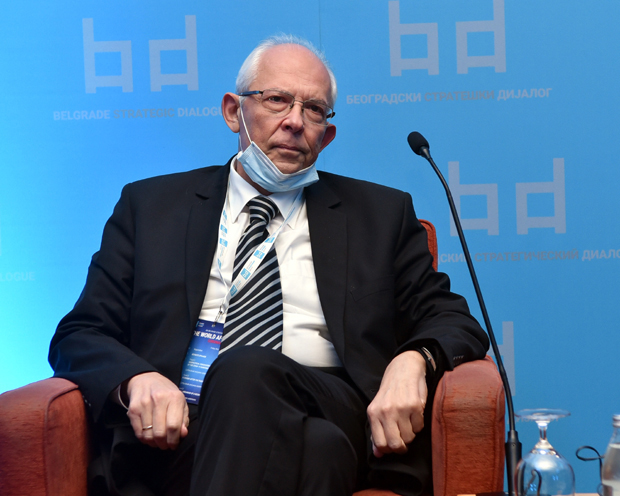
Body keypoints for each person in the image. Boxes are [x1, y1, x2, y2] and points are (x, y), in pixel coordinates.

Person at [49, 35, 489, 496]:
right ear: (233, 111)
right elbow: (80, 333)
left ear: (327, 135)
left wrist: (413, 361)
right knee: (319, 450)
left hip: (329, 398)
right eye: (277, 100)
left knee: (245, 370)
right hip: (182, 425)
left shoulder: (379, 215)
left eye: (314, 110)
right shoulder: (151, 207)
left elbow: (453, 319)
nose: (295, 122)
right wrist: (136, 379)